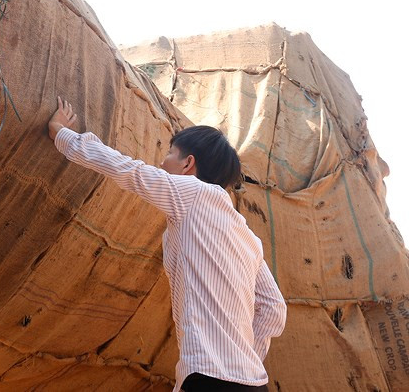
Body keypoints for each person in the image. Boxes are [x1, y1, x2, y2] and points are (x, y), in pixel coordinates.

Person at [48, 97, 287, 392]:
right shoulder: (248, 237)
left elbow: (129, 171)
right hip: (253, 383)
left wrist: (61, 133)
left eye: (170, 153)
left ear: (188, 164)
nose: (163, 161)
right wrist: (245, 361)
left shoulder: (190, 192)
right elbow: (274, 308)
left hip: (208, 377)